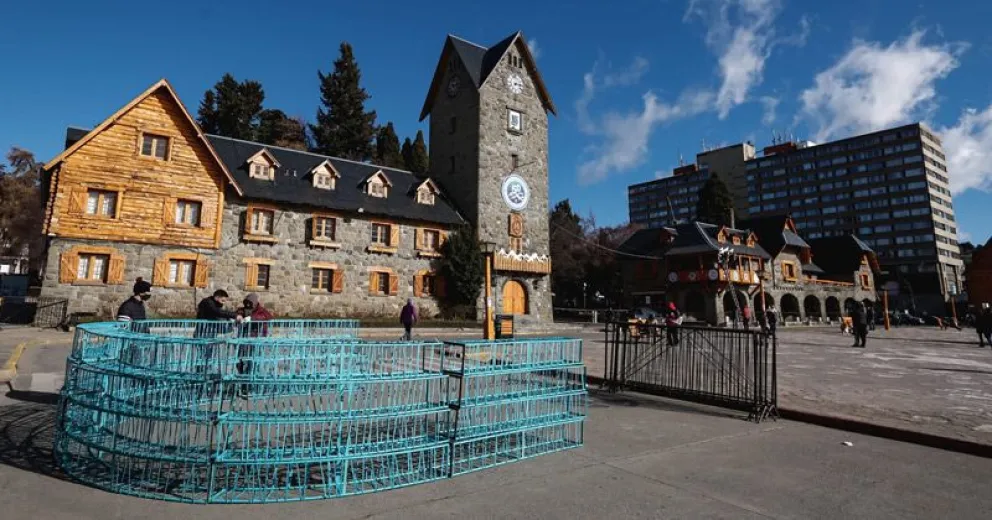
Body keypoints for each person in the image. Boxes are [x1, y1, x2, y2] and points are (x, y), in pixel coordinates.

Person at [236, 293, 273, 397]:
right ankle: (243, 384)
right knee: (240, 362)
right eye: (246, 302)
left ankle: (248, 387)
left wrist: (251, 318)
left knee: (252, 363)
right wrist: (236, 318)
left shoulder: (261, 310)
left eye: (250, 302)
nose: (248, 305)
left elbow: (267, 317)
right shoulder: (241, 310)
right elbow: (236, 316)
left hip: (256, 340)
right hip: (243, 339)